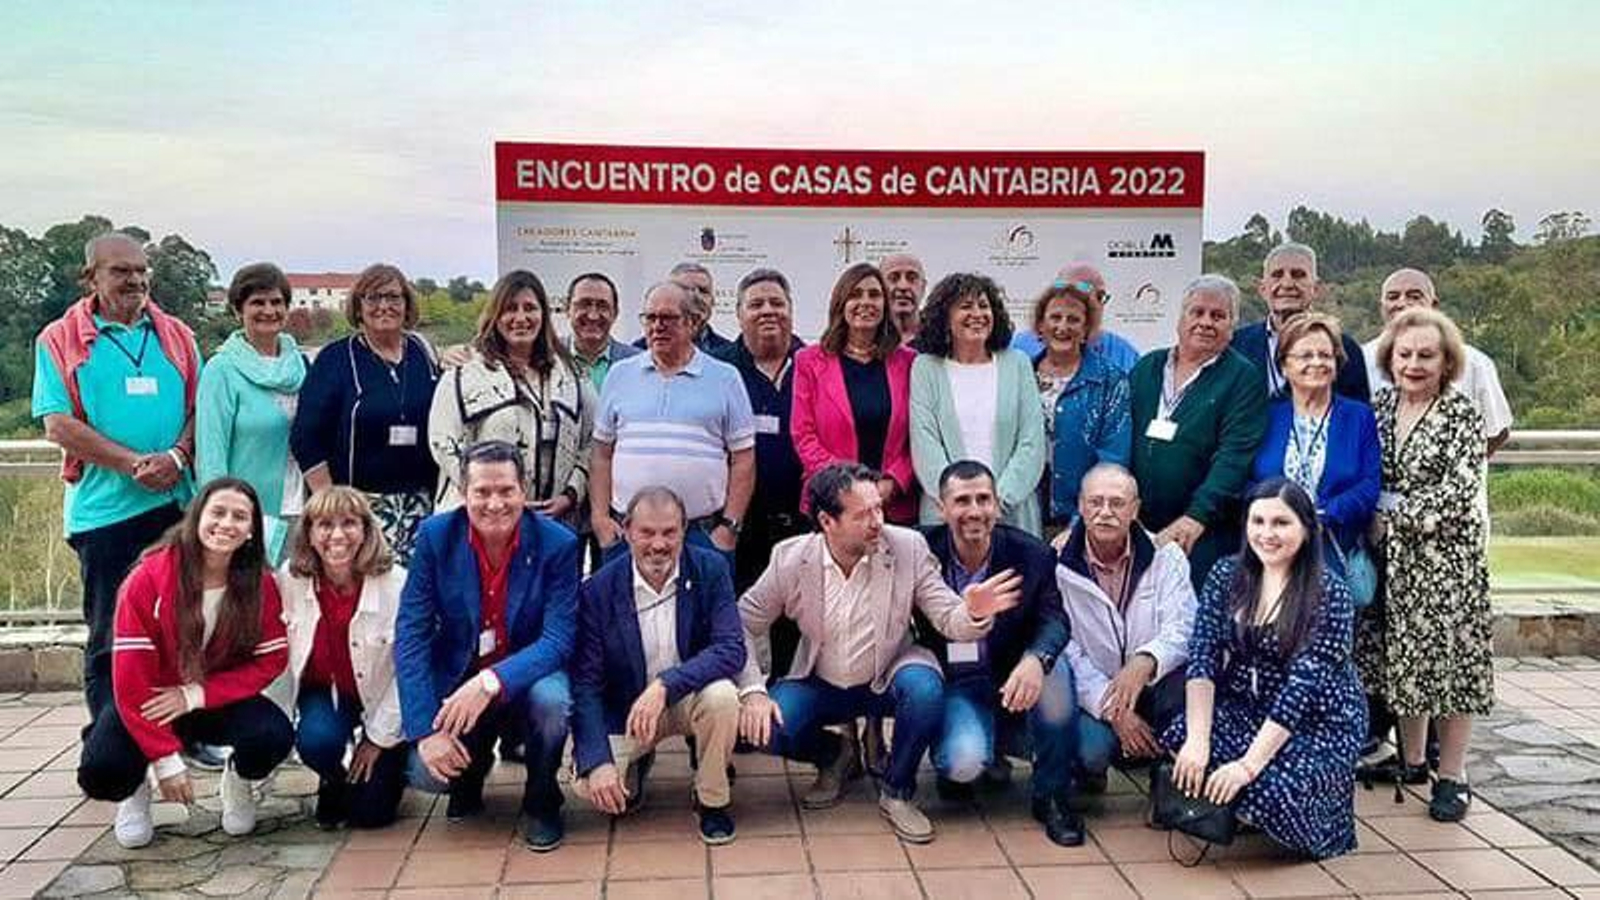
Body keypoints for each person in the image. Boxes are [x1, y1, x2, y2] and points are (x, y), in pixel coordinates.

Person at [734, 463, 1022, 844]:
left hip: (888, 675)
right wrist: (753, 690)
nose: (877, 522)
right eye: (862, 515)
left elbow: (947, 616)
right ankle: (836, 755)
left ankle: (898, 791)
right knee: (762, 728)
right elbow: (739, 624)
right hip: (821, 679)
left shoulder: (907, 546)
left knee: (925, 689)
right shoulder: (791, 559)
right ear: (827, 521)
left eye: (878, 509)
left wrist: (973, 612)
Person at [34, 232, 199, 722]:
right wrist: (133, 464)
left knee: (180, 628)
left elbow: (201, 408)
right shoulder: (59, 340)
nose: (135, 280)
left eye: (141, 270)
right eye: (121, 271)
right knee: (112, 633)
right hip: (105, 515)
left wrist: (178, 455)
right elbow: (57, 424)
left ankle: (180, 735)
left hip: (174, 506)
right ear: (91, 277)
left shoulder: (177, 336)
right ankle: (113, 741)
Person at [77, 478, 293, 849]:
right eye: (218, 512)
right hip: (148, 698)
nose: (227, 524)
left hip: (208, 696)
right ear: (196, 517)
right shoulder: (147, 577)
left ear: (252, 530)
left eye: (240, 517)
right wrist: (165, 760)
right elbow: (130, 677)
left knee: (273, 736)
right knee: (103, 771)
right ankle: (135, 787)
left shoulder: (260, 584)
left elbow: (271, 659)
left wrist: (194, 695)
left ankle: (237, 781)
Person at [394, 440, 580, 849]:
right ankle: (470, 775)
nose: (495, 503)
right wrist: (425, 732)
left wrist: (491, 681)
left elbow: (558, 639)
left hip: (527, 678)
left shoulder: (559, 544)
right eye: (482, 492)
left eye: (506, 490)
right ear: (463, 492)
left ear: (524, 490)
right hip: (460, 676)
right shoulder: (435, 537)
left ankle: (543, 798)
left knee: (553, 702)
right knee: (424, 773)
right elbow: (411, 634)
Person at [1167, 479, 1367, 860]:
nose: (1266, 534)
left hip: (1317, 721)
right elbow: (1203, 655)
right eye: (1257, 521)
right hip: (1248, 707)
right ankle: (1239, 804)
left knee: (1267, 790)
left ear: (1307, 529)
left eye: (1281, 523)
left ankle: (1274, 812)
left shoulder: (1331, 593)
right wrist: (1198, 741)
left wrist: (1246, 766)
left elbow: (1300, 692)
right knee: (1182, 735)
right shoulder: (1225, 575)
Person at [1363, 307, 1492, 822]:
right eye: (1405, 354)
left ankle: (1453, 776)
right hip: (1389, 561)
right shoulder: (1379, 406)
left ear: (1446, 361)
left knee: (1450, 668)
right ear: (1390, 358)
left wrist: (1390, 517)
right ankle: (1412, 761)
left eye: (1426, 355)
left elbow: (1459, 492)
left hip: (1444, 563)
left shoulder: (1462, 414)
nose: (1414, 364)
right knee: (1402, 660)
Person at [918, 461, 1081, 847]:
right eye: (962, 501)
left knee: (1057, 673)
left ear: (996, 504)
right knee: (961, 762)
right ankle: (973, 757)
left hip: (1014, 679)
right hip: (957, 683)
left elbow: (1055, 619)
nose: (974, 510)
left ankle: (1053, 797)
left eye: (983, 499)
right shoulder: (921, 551)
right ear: (941, 508)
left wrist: (1035, 659)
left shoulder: (1032, 554)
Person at [570, 488, 746, 844]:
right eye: (647, 533)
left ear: (684, 529)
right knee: (587, 785)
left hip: (688, 697)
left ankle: (712, 798)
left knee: (724, 698)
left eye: (669, 532)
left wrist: (665, 685)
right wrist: (598, 762)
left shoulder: (710, 569)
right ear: (627, 530)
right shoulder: (597, 590)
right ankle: (638, 762)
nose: (659, 544)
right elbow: (585, 684)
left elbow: (731, 649)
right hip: (630, 711)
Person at [591, 281, 756, 565]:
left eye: (668, 318)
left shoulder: (725, 378)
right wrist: (600, 520)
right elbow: (601, 454)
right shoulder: (619, 375)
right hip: (629, 535)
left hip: (701, 535)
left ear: (692, 323)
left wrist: (729, 527)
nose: (657, 326)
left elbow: (744, 459)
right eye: (650, 318)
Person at [1055, 464, 1195, 792]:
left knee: (1188, 683)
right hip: (1094, 692)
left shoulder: (1167, 557)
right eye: (1096, 502)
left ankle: (1170, 783)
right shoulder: (1056, 565)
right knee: (1092, 751)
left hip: (1152, 684)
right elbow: (1064, 647)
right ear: (1081, 506)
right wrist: (1114, 709)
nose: (1105, 512)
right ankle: (1091, 768)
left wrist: (1147, 659)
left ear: (1135, 509)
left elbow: (1185, 625)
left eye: (1117, 503)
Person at [291, 263, 439, 565]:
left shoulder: (424, 354)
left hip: (421, 507)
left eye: (393, 297)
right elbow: (305, 437)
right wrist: (331, 504)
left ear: (406, 304)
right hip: (356, 510)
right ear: (358, 307)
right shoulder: (334, 359)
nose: (384, 305)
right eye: (373, 298)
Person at [278, 486, 409, 830]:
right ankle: (332, 777)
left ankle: (393, 766)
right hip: (324, 691)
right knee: (318, 741)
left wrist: (377, 739)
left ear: (366, 529)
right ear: (309, 533)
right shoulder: (290, 579)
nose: (337, 535)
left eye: (349, 523)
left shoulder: (397, 584)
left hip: (383, 696)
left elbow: (409, 671)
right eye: (325, 524)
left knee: (370, 815)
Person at [428, 269, 595, 533]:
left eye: (530, 308)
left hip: (550, 527)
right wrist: (493, 497)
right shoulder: (464, 373)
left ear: (544, 314)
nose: (520, 318)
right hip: (480, 524)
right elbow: (443, 443)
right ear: (495, 315)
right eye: (510, 309)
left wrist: (571, 495)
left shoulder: (572, 375)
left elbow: (590, 443)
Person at [1129, 274, 1267, 589]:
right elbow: (1121, 437)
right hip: (1136, 524)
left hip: (1202, 532)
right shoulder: (1148, 367)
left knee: (1192, 612)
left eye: (1218, 316)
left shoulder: (1243, 378)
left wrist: (1197, 516)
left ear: (1232, 327)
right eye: (1197, 312)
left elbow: (1234, 456)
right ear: (1181, 318)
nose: (1205, 322)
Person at [911, 272, 1047, 534]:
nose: (978, 314)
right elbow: (925, 442)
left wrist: (996, 501)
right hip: (946, 516)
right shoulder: (925, 368)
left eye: (984, 306)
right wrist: (960, 502)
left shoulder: (1017, 363)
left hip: (1012, 513)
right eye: (966, 306)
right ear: (945, 318)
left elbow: (1031, 442)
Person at [1249, 313, 1380, 581]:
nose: (1317, 362)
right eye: (1305, 355)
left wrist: (1322, 516)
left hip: (1333, 549)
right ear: (1284, 365)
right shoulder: (1264, 416)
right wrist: (1278, 515)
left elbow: (1370, 483)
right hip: (1269, 550)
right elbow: (1245, 478)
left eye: (1325, 355)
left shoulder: (1359, 416)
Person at [196, 262, 307, 564]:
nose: (269, 311)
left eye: (276, 302)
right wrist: (218, 516)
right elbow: (211, 452)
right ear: (238, 310)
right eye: (258, 302)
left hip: (302, 508)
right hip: (247, 514)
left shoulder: (302, 366)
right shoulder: (221, 370)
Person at [791, 262, 918, 524]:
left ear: (885, 305)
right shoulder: (809, 361)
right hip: (832, 503)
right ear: (841, 304)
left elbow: (919, 434)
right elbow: (803, 434)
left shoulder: (909, 362)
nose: (865, 302)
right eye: (855, 294)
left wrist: (893, 482)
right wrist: (846, 485)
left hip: (892, 503)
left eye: (874, 295)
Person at [713, 268, 807, 592]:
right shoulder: (718, 369)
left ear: (791, 310)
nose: (768, 311)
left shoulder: (815, 364)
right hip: (737, 530)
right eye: (756, 305)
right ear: (739, 315)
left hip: (804, 527)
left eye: (777, 303)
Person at [1362, 268, 1514, 456]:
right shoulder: (1359, 360)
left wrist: (1464, 464)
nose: (1402, 303)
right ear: (1382, 306)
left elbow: (1497, 430)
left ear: (1433, 305)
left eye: (1414, 296)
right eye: (1393, 297)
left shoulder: (1474, 362)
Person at [1030, 278, 1132, 526]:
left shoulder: (1111, 380)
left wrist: (1083, 520)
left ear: (1086, 329)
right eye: (1055, 317)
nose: (1063, 326)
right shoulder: (1021, 374)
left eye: (1073, 319)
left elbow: (1113, 457)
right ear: (1041, 325)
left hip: (1084, 515)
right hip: (1025, 512)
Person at [1231, 242, 1370, 402]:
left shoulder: (1344, 348)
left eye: (1298, 275)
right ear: (1263, 289)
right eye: (1277, 275)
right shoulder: (1236, 345)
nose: (1287, 284)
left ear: (1316, 288)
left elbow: (1357, 412)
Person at [1011, 262, 1141, 373]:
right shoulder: (1018, 347)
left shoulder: (1123, 353)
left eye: (1100, 297)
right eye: (1056, 317)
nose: (1063, 326)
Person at [632, 262, 735, 354]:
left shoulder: (730, 354)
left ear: (713, 300)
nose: (698, 297)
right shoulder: (639, 351)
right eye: (686, 290)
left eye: (703, 291)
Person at [564, 271, 641, 391]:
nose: (593, 316)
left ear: (615, 313)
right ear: (567, 309)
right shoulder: (546, 357)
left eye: (602, 306)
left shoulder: (638, 363)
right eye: (584, 304)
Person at [880, 252, 927, 346]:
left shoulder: (942, 336)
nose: (903, 286)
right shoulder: (868, 337)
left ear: (923, 287)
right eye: (893, 278)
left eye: (912, 278)